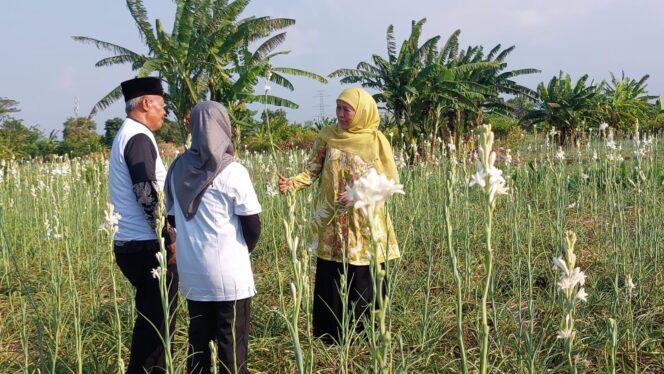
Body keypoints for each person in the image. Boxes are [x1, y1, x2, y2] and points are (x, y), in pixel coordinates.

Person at [278, 87, 400, 344]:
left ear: (362, 111)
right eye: (338, 108)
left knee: (364, 277)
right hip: (332, 223)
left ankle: (365, 338)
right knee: (330, 278)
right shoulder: (328, 135)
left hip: (364, 223)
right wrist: (292, 183)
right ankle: (330, 338)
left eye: (347, 109)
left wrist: (359, 194)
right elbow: (312, 170)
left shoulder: (376, 140)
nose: (341, 114)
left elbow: (389, 182)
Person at [165, 101, 261, 374]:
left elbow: (172, 220)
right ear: (224, 127)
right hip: (230, 278)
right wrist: (240, 251)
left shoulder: (177, 170)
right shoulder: (233, 172)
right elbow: (252, 226)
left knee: (198, 347)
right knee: (231, 348)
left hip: (193, 274)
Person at [109, 76, 178, 373]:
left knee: (151, 322)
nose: (164, 112)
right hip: (147, 246)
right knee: (157, 326)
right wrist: (168, 237)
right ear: (146, 103)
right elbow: (145, 191)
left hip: (133, 243)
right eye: (161, 105)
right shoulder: (138, 136)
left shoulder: (128, 133)